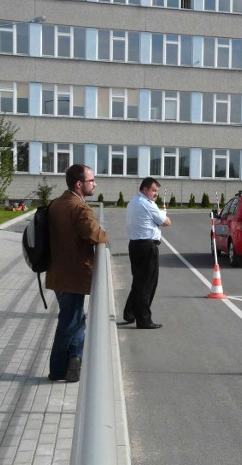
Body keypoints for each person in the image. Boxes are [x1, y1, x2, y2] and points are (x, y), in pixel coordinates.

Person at [46, 164, 108, 382]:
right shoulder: (78, 207)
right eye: (92, 180)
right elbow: (94, 234)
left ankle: (75, 361)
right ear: (79, 184)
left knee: (75, 319)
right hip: (72, 275)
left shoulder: (57, 203)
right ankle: (57, 370)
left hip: (58, 273)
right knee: (70, 322)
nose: (95, 184)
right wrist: (105, 235)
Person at [123, 177, 171, 329]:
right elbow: (166, 222)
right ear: (144, 189)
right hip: (146, 247)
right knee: (147, 284)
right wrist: (163, 213)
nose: (155, 193)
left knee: (139, 282)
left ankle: (130, 313)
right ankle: (143, 319)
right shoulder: (147, 204)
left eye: (156, 190)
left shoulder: (133, 202)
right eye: (153, 190)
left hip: (135, 245)